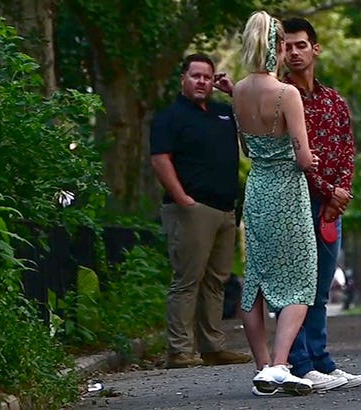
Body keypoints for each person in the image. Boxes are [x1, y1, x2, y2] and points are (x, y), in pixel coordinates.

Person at [231, 11, 320, 396]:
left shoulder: (237, 90)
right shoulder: (287, 93)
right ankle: (282, 364)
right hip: (287, 189)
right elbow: (302, 156)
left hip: (258, 189)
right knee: (301, 280)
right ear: (277, 47)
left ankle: (262, 367)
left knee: (257, 279)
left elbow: (246, 147)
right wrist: (311, 158)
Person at [150, 53, 252, 369]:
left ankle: (212, 346)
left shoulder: (224, 113)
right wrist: (183, 199)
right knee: (187, 279)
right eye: (195, 76)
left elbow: (253, 129)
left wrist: (233, 92)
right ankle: (180, 350)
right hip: (191, 210)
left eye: (207, 77)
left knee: (216, 281)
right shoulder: (170, 117)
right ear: (183, 78)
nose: (202, 82)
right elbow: (160, 159)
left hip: (225, 210)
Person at [282, 17, 361, 391]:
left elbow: (347, 149)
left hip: (332, 205)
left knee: (319, 287)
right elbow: (293, 153)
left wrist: (340, 194)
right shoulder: (281, 96)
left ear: (314, 49)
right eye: (287, 46)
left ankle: (321, 358)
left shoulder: (333, 100)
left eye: (301, 45)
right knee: (296, 286)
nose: (294, 52)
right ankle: (299, 360)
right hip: (296, 200)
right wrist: (325, 190)